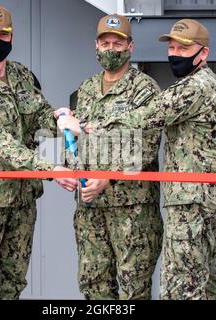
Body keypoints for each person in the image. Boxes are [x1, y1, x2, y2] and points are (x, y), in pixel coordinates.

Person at [59, 19, 216, 300]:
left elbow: (146, 119)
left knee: (180, 290)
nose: (175, 53)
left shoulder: (195, 87)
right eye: (172, 47)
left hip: (182, 202)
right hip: (195, 199)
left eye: (184, 48)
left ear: (204, 53)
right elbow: (77, 145)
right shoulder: (87, 88)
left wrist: (89, 125)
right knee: (203, 285)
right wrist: (65, 164)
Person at [0, 5, 77, 300]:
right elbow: (0, 143)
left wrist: (61, 118)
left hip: (21, 200)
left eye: (3, 34)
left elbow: (40, 117)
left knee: (12, 282)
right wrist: (51, 169)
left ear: (12, 37)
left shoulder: (22, 75)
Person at [59, 14, 163, 300]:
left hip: (132, 211)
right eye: (105, 43)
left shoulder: (145, 90)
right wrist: (66, 169)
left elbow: (147, 144)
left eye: (118, 43)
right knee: (94, 287)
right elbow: (75, 138)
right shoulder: (85, 90)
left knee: (134, 291)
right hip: (90, 210)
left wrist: (108, 177)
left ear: (130, 46)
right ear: (96, 45)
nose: (110, 49)